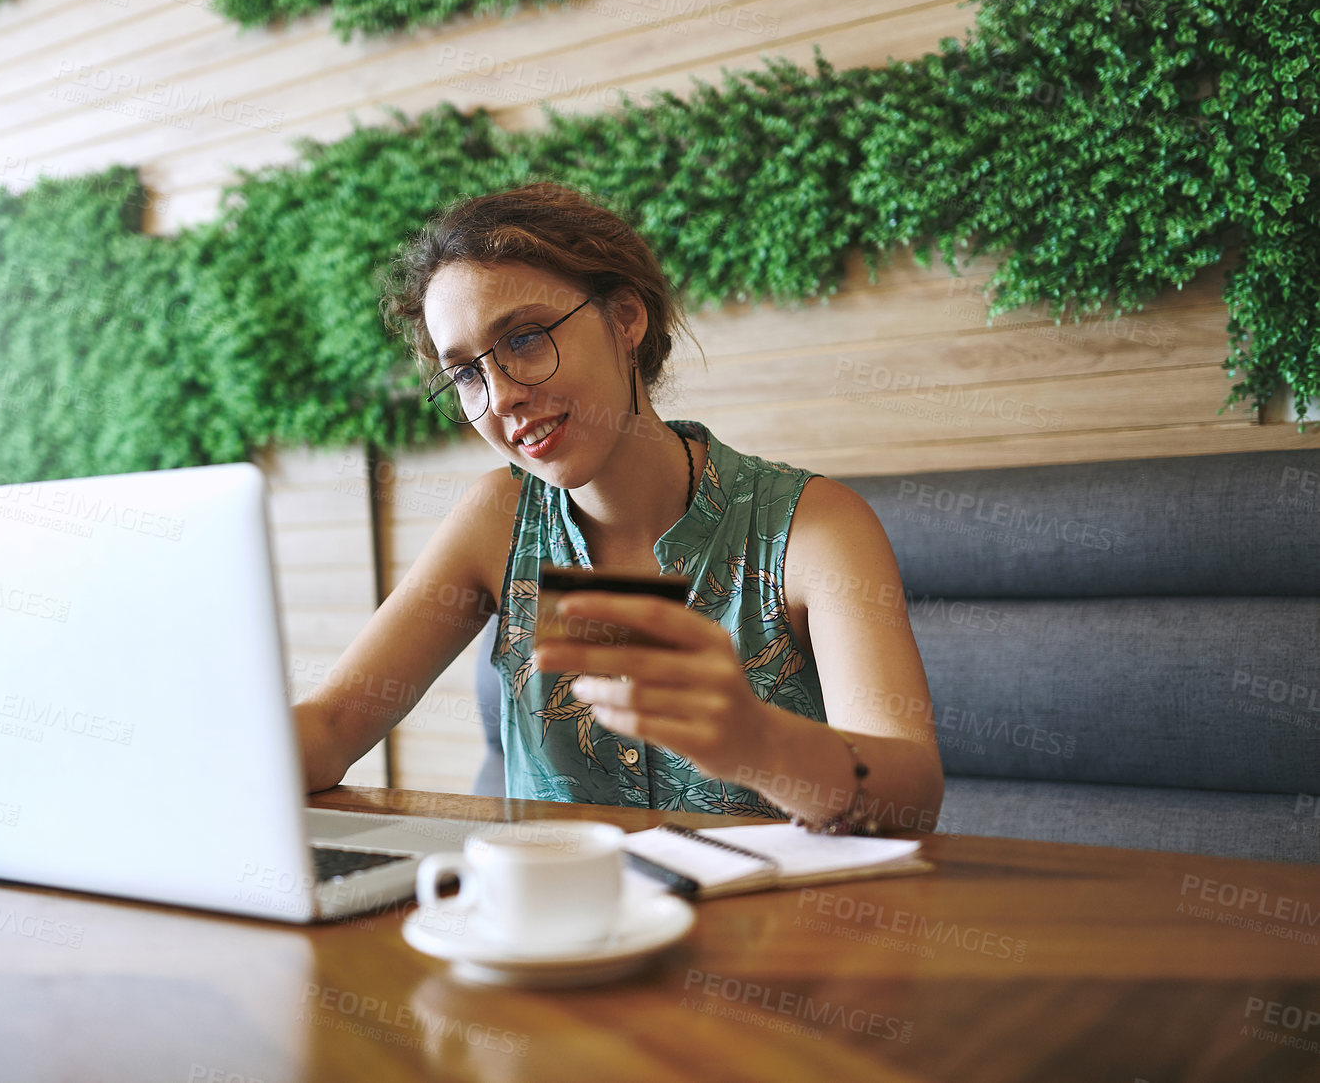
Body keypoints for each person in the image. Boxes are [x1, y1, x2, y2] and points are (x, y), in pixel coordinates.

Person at [292, 183, 943, 833]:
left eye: (523, 338)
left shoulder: (813, 527)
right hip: (556, 926)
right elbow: (331, 727)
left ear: (626, 317)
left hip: (776, 930)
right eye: (465, 373)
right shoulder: (496, 519)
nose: (501, 397)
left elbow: (910, 800)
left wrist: (762, 743)